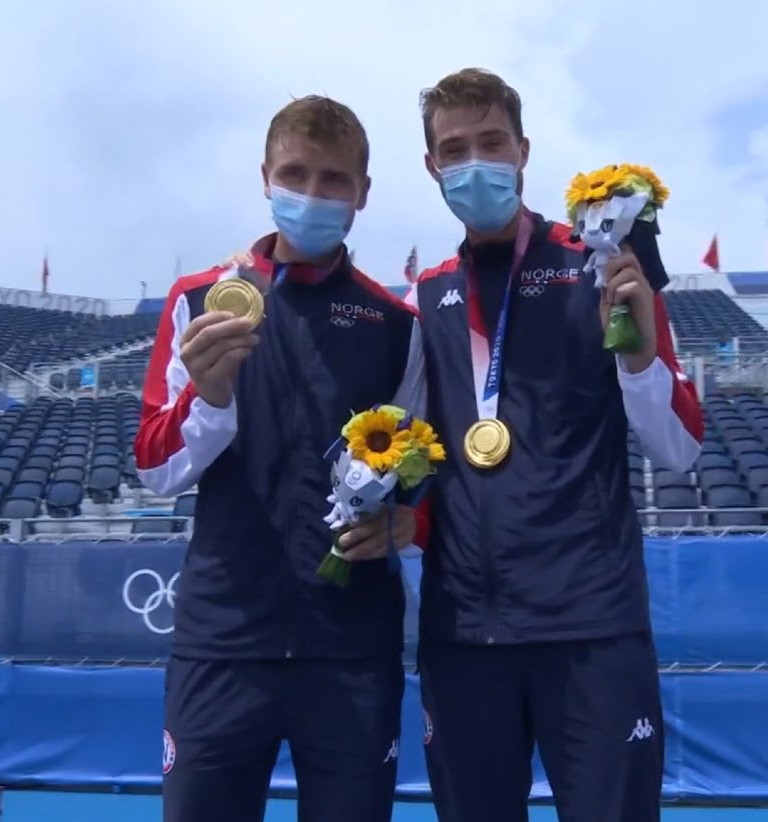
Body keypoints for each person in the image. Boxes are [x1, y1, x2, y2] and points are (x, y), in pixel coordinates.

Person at [405, 68, 704, 822]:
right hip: (463, 633)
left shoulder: (602, 266)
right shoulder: (428, 297)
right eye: (454, 148)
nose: (474, 163)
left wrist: (637, 351)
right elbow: (406, 454)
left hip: (592, 631)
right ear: (432, 167)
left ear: (524, 149)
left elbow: (680, 448)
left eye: (491, 142)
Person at [134, 95, 428, 822]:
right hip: (224, 642)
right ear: (265, 177)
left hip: (352, 648)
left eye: (334, 180)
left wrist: (409, 525)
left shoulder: (397, 325)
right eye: (296, 174)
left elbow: (420, 475)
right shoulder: (200, 300)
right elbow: (157, 470)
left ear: (363, 193)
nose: (313, 195)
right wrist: (210, 394)